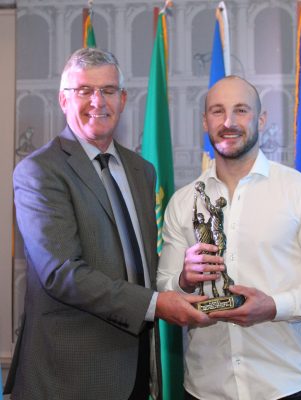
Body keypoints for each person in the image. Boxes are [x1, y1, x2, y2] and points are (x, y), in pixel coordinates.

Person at [4, 47, 210, 400]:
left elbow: (139, 266)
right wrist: (157, 305)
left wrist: (182, 279)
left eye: (108, 90)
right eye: (84, 90)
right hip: (68, 377)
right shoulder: (40, 171)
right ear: (63, 99)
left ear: (123, 99)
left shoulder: (141, 171)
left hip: (137, 372)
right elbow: (62, 273)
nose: (97, 101)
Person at [157, 75, 301, 400]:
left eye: (241, 111)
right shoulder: (183, 202)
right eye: (218, 111)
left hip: (285, 388)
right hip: (204, 390)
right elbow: (164, 287)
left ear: (261, 119)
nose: (229, 122)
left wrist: (275, 306)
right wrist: (183, 280)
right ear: (205, 121)